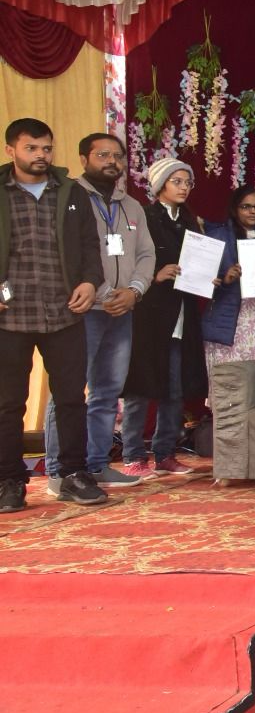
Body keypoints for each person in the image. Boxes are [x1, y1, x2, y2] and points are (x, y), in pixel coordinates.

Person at [0, 118, 109, 512]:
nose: (41, 155)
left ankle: (73, 475)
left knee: (71, 399)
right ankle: (9, 481)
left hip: (65, 312)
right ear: (11, 149)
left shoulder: (71, 191)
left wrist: (90, 282)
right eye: (31, 148)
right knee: (8, 403)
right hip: (10, 316)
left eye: (46, 148)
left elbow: (91, 245)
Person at [42, 133, 152, 490]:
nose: (112, 162)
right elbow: (66, 255)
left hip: (122, 311)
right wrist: (104, 293)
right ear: (83, 158)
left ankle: (97, 464)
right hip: (82, 310)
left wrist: (134, 291)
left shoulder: (131, 206)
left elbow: (146, 255)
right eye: (103, 154)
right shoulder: (67, 198)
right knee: (68, 390)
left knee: (107, 391)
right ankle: (59, 470)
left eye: (117, 155)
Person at [120, 158, 208, 479]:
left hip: (181, 312)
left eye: (188, 182)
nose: (184, 188)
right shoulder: (143, 217)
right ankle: (132, 454)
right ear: (160, 185)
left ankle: (165, 453)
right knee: (141, 386)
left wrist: (208, 277)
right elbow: (128, 260)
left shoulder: (190, 221)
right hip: (150, 313)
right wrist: (155, 275)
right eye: (177, 181)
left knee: (175, 386)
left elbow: (198, 263)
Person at [201, 185, 255, 373]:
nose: (253, 211)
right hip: (228, 322)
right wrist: (225, 279)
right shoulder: (217, 237)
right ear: (234, 209)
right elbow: (200, 283)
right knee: (228, 381)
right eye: (246, 207)